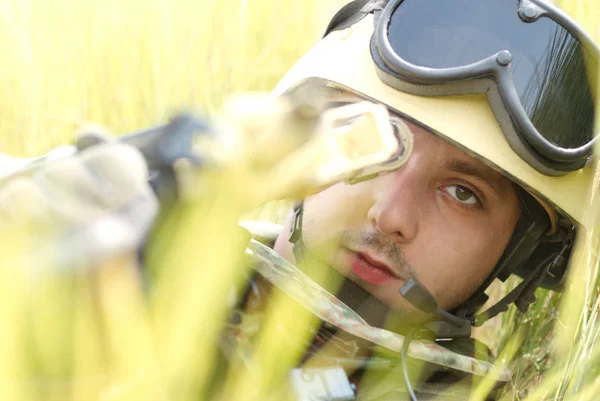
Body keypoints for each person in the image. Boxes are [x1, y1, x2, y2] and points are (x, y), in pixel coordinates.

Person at [0, 0, 597, 400]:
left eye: (463, 194)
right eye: (374, 144)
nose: (390, 215)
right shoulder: (132, 231)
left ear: (520, 258)